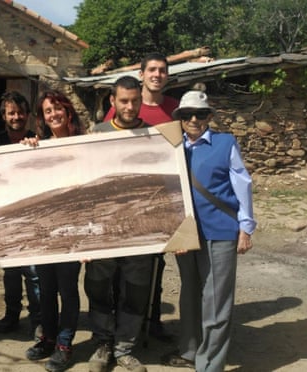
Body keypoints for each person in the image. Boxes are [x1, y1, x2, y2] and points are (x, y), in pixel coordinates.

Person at [162, 90, 255, 371]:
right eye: (187, 114)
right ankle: (190, 350)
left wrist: (246, 227)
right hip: (185, 233)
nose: (193, 119)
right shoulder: (172, 147)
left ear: (209, 117)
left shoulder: (224, 143)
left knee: (216, 301)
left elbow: (243, 183)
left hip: (219, 230)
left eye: (200, 114)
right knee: (190, 294)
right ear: (178, 118)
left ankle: (210, 365)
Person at [104, 53, 179, 342]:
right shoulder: (121, 110)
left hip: (160, 196)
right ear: (142, 74)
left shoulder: (175, 110)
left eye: (162, 70)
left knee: (156, 267)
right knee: (123, 272)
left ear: (167, 76)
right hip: (126, 200)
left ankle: (153, 319)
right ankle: (119, 327)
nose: (157, 75)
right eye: (152, 70)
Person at [86, 76, 153, 372]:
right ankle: (103, 344)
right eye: (123, 100)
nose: (129, 106)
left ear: (141, 100)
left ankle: (125, 348)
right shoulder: (97, 134)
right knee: (99, 287)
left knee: (136, 290)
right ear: (112, 101)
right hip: (103, 230)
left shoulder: (155, 136)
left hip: (141, 230)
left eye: (134, 100)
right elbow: (85, 182)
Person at [23, 90, 85, 372]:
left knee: (68, 289)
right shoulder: (40, 146)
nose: (54, 114)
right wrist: (27, 147)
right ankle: (48, 337)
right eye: (48, 111)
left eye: (57, 108)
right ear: (43, 118)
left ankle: (64, 343)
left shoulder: (84, 146)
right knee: (46, 289)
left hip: (73, 231)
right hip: (45, 232)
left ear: (68, 110)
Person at [0, 91, 41, 336]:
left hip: (33, 216)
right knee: (10, 271)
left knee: (33, 273)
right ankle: (12, 315)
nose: (17, 117)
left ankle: (38, 319)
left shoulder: (37, 140)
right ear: (4, 116)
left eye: (21, 112)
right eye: (11, 113)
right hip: (6, 216)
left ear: (28, 115)